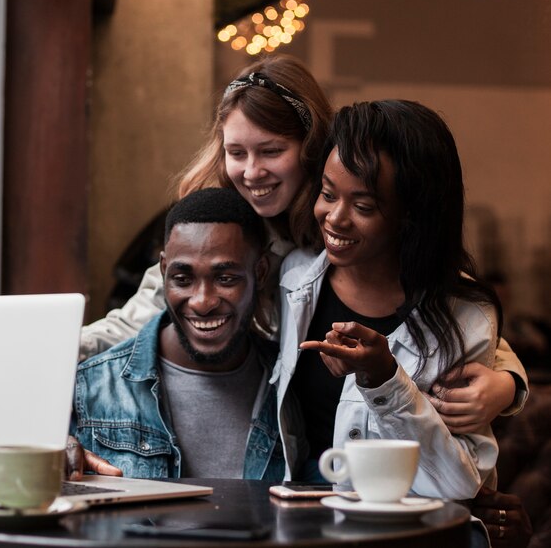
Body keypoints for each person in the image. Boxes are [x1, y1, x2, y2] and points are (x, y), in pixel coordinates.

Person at [79, 55, 528, 435]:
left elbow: (448, 306)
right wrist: (56, 347)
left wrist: (508, 383)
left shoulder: (341, 222)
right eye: (237, 153)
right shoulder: (217, 220)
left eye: (271, 151)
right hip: (257, 419)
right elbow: (136, 319)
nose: (251, 172)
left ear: (312, 146)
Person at [274, 99, 500, 499]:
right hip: (304, 518)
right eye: (327, 194)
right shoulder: (294, 279)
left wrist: (383, 379)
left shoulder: (465, 315)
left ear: (412, 215)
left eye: (363, 206)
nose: (335, 217)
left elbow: (459, 483)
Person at [67, 188, 304, 480]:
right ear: (164, 270)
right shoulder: (87, 388)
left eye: (226, 279)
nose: (202, 302)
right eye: (182, 279)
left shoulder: (291, 387)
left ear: (262, 271)